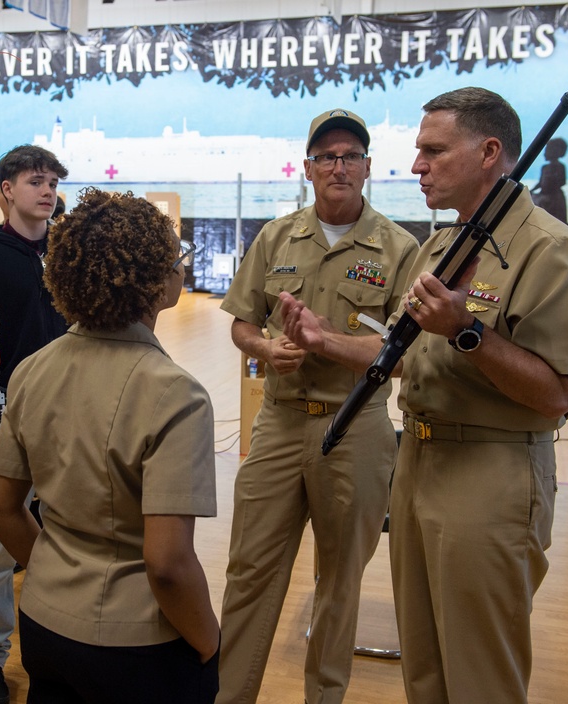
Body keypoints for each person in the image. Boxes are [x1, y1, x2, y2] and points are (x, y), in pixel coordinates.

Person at [391, 87, 568, 703]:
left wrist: (466, 330)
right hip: (418, 460)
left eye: (433, 150)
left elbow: (555, 394)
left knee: (480, 675)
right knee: (424, 670)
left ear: (489, 152)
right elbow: (408, 358)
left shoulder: (550, 250)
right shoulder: (439, 247)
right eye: (417, 151)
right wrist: (321, 341)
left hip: (492, 471)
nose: (417, 166)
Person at [0, 187, 219, 703]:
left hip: (44, 622)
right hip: (138, 642)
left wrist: (50, 570)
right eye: (175, 258)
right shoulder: (176, 394)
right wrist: (207, 640)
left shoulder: (32, 370)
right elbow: (168, 564)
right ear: (158, 283)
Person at [217, 109, 420, 704]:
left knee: (339, 583)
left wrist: (326, 341)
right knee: (249, 571)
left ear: (367, 169)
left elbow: (407, 355)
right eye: (327, 156)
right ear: (307, 168)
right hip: (278, 426)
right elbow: (241, 323)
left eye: (351, 156)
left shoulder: (399, 248)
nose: (339, 166)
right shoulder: (277, 237)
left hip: (354, 427)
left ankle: (324, 696)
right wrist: (264, 347)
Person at [0, 145, 70, 704]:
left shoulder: (67, 252)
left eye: (54, 181)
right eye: (37, 180)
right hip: (7, 416)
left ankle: (57, 645)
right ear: (6, 189)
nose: (48, 189)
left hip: (69, 416)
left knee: (67, 536)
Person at [532, 137, 568, 222]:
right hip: (545, 198)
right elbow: (540, 183)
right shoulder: (544, 168)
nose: (544, 153)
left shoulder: (560, 166)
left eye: (547, 149)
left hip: (555, 200)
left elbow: (562, 182)